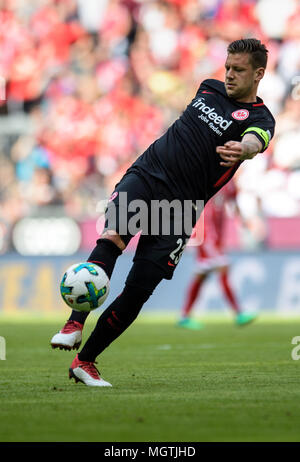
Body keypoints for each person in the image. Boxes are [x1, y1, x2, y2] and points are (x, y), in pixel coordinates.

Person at [50, 38, 275, 387]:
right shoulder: (208, 87)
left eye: (239, 70)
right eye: (228, 67)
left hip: (182, 207)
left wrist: (244, 148)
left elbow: (257, 139)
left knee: (139, 290)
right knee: (112, 237)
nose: (229, 75)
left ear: (258, 74)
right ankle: (74, 322)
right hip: (147, 176)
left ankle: (85, 361)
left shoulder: (260, 118)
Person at [177, 179, 257, 330]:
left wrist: (243, 221)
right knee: (223, 266)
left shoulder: (230, 181)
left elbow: (233, 202)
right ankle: (238, 313)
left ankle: (184, 316)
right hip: (206, 232)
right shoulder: (208, 173)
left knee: (201, 274)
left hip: (218, 235)